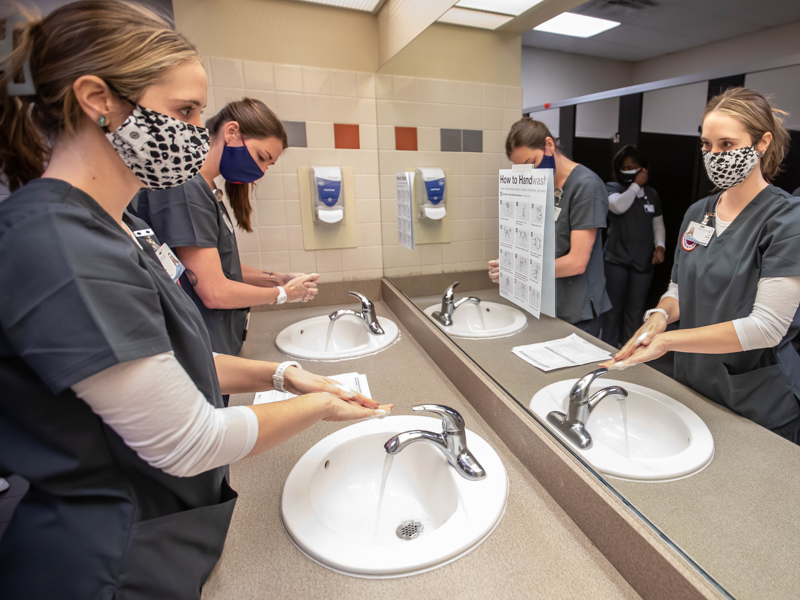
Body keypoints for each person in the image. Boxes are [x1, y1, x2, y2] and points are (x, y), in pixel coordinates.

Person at [0, 3, 389, 598]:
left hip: (156, 533)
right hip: (107, 560)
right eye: (183, 111)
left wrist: (284, 374)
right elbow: (190, 440)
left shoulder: (118, 225)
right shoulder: (59, 244)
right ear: (97, 98)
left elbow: (171, 360)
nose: (193, 133)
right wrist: (323, 406)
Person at [602, 87, 800, 444]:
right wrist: (660, 316)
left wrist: (667, 341)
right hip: (694, 383)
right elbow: (679, 288)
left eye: (726, 144)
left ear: (762, 142)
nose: (714, 155)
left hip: (754, 398)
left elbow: (767, 327)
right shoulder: (699, 213)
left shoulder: (786, 220)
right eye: (707, 146)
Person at [133, 98, 318, 356]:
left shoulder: (207, 189)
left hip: (217, 340)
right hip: (200, 343)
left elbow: (217, 266)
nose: (262, 171)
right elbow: (214, 291)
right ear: (231, 133)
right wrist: (282, 293)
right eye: (261, 157)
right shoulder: (187, 189)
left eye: (268, 165)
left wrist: (276, 279)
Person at [490, 118, 612, 336]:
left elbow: (577, 262)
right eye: (524, 169)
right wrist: (510, 262)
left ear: (548, 145)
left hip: (577, 310)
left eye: (532, 162)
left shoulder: (586, 187)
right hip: (546, 302)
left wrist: (520, 271)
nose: (532, 172)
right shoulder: (540, 186)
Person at [601, 146, 666, 347]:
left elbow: (658, 223)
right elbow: (618, 207)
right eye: (625, 167)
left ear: (643, 169)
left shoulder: (652, 194)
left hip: (642, 260)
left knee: (636, 309)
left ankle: (630, 348)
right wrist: (636, 185)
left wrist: (660, 246)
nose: (629, 170)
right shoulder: (612, 188)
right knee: (612, 308)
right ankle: (608, 347)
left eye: (634, 167)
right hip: (616, 259)